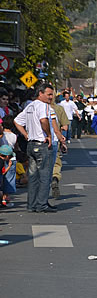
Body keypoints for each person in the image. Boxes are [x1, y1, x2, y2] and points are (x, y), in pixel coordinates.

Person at [13, 83, 61, 213]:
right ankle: (42, 204)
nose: (51, 97)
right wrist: (49, 135)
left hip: (31, 144)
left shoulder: (30, 106)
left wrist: (26, 135)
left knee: (33, 176)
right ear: (41, 93)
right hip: (42, 145)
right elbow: (43, 120)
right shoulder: (43, 106)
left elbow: (17, 121)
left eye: (52, 95)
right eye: (49, 94)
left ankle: (32, 204)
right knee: (45, 176)